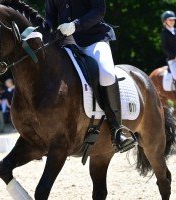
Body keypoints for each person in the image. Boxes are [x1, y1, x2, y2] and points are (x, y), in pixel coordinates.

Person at [45, 0, 136, 152]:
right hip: (63, 43)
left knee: (107, 74)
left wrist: (75, 25)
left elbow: (98, 11)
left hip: (92, 39)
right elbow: (50, 17)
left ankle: (117, 130)